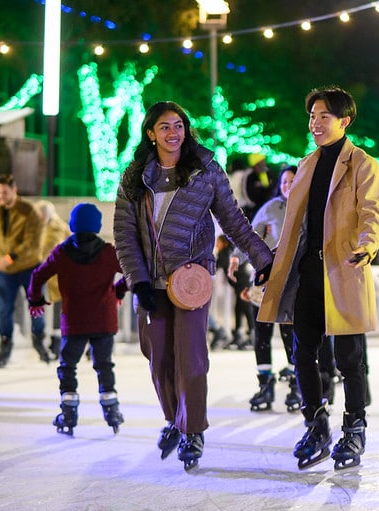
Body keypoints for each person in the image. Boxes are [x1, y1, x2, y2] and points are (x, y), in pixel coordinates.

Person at [113, 101, 273, 472]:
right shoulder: (135, 177)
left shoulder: (205, 172)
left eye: (179, 125)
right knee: (159, 359)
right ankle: (175, 419)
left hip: (191, 282)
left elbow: (234, 221)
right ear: (151, 134)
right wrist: (137, 281)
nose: (174, 133)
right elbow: (124, 234)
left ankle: (192, 430)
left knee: (192, 359)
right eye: (165, 127)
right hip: (150, 283)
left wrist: (263, 259)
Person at [256, 86, 379, 471]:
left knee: (349, 358)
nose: (315, 123)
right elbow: (294, 226)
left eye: (323, 116)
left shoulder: (362, 164)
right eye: (312, 116)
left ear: (344, 121)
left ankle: (355, 427)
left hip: (344, 270)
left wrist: (367, 245)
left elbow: (371, 214)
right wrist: (274, 260)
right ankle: (316, 424)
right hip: (307, 273)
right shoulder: (307, 164)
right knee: (302, 353)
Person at [27, 203, 126, 436]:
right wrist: (118, 291)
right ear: (98, 226)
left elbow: (37, 275)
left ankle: (69, 411)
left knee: (67, 366)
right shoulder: (109, 252)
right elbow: (132, 273)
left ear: (72, 225)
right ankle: (111, 410)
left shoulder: (62, 253)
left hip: (74, 322)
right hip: (104, 321)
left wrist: (36, 301)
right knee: (104, 365)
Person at [235, 165, 301, 412]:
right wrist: (236, 258)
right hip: (263, 278)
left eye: (293, 181)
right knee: (261, 332)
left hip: (293, 280)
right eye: (285, 181)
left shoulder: (306, 207)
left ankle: (296, 384)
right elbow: (251, 236)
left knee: (289, 333)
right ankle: (265, 384)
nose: (288, 185)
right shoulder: (271, 207)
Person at [0, 173, 50, 367]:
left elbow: (32, 243)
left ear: (14, 190)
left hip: (29, 267)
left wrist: (9, 258)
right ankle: (5, 346)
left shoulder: (30, 211)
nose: (1, 197)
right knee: (4, 309)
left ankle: (39, 339)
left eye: (4, 192)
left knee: (36, 306)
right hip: (4, 271)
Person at [35, 200, 71, 359]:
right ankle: (57, 344)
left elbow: (49, 249)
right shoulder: (50, 226)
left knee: (62, 311)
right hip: (56, 277)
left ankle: (58, 345)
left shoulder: (55, 227)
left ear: (43, 215)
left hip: (60, 277)